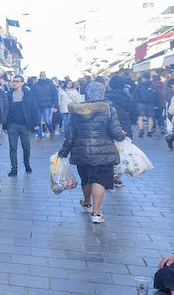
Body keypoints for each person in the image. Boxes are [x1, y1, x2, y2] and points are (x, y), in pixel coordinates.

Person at [58, 83, 125, 224]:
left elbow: (70, 135)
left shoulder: (76, 111)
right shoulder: (109, 110)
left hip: (82, 151)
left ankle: (87, 203)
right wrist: (122, 136)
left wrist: (63, 152)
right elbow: (116, 133)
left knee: (86, 179)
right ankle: (96, 213)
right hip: (104, 152)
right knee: (99, 180)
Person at [5, 76, 40, 176]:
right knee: (13, 148)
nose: (15, 83)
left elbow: (34, 108)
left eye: (17, 81)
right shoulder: (9, 94)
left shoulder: (28, 94)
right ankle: (14, 168)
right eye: (14, 81)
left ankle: (27, 164)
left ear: (22, 83)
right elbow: (5, 110)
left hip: (25, 125)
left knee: (26, 147)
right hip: (12, 124)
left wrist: (37, 123)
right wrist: (4, 125)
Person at [32, 71, 59, 140]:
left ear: (45, 76)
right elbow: (32, 96)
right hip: (38, 106)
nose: (42, 77)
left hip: (47, 105)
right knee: (38, 121)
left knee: (47, 121)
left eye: (44, 76)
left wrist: (55, 106)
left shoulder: (50, 85)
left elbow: (55, 96)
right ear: (39, 76)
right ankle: (39, 136)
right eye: (41, 76)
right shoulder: (35, 85)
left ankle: (51, 131)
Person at [133, 73, 159, 138]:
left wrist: (136, 103)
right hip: (151, 104)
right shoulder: (153, 86)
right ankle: (149, 131)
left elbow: (135, 95)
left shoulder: (139, 86)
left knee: (140, 117)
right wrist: (156, 104)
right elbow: (156, 95)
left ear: (144, 78)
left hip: (141, 103)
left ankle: (141, 130)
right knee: (150, 118)